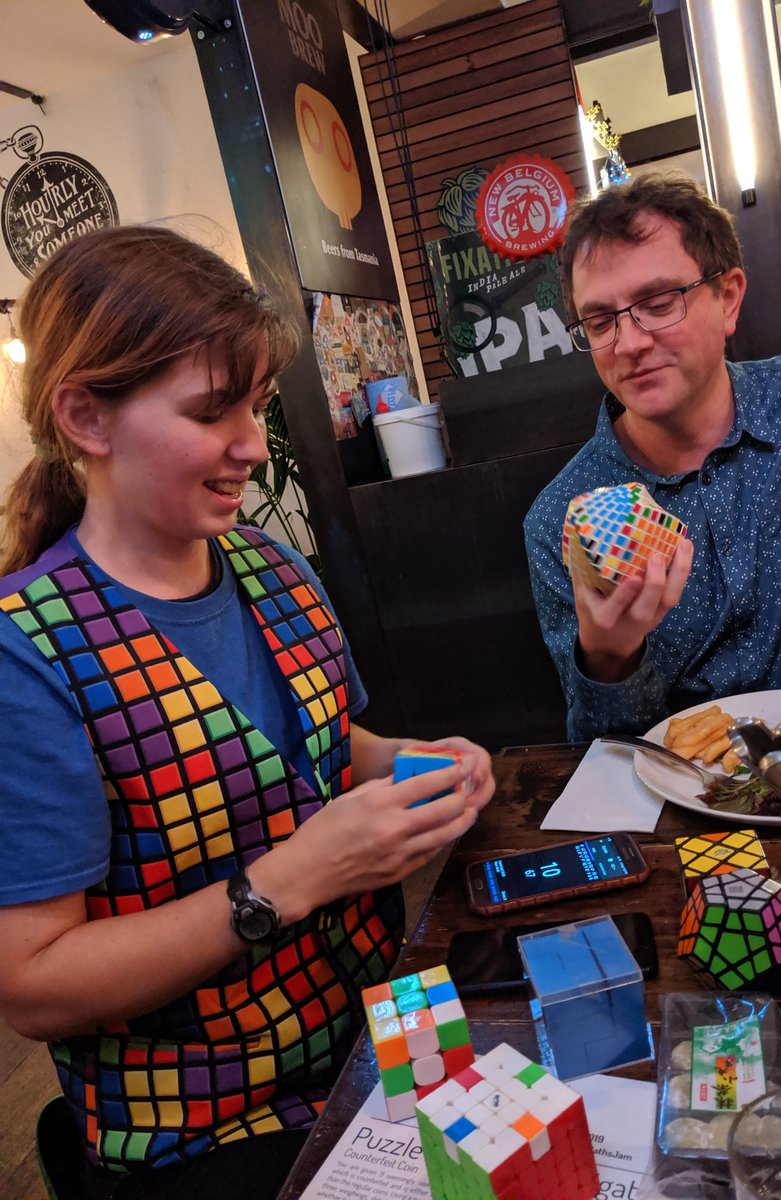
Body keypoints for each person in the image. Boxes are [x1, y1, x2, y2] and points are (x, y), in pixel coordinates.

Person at [0, 224, 495, 1200]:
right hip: (205, 1136)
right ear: (86, 418)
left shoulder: (271, 567)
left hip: (378, 1040)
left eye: (258, 406)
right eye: (211, 411)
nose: (249, 445)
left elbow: (321, 745)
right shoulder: (26, 653)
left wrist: (413, 760)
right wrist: (287, 881)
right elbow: (31, 982)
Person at [524, 173, 781, 742]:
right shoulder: (561, 522)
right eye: (600, 321)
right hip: (683, 808)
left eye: (658, 302)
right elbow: (606, 752)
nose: (628, 342)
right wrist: (607, 659)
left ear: (728, 298)